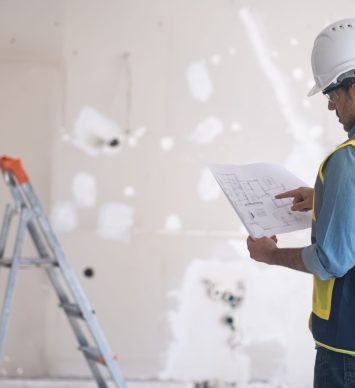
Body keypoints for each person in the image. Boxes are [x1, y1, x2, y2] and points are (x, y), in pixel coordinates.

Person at [246, 18, 355, 388]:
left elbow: (331, 261)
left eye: (332, 94)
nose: (330, 107)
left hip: (346, 352)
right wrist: (324, 199)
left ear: (354, 89)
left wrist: (268, 255)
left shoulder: (347, 161)